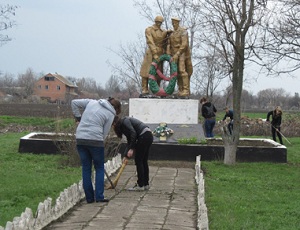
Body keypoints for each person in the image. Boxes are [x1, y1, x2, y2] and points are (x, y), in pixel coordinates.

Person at [71, 97, 121, 203]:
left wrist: (78, 118)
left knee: (86, 168)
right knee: (99, 168)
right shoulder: (110, 114)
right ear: (115, 109)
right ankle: (99, 196)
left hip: (80, 138)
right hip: (95, 140)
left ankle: (89, 198)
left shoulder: (92, 102)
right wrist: (98, 140)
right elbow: (105, 132)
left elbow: (74, 102)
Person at [113, 116, 153, 191]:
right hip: (148, 135)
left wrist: (131, 149)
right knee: (143, 161)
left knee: (139, 161)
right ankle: (145, 184)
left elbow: (133, 133)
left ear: (115, 123)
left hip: (144, 136)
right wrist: (126, 155)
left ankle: (140, 185)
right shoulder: (124, 123)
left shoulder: (124, 121)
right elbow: (130, 139)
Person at [140, 15, 169, 95]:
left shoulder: (163, 32)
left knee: (158, 72)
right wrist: (154, 52)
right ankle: (144, 89)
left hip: (160, 53)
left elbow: (165, 42)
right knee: (146, 71)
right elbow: (150, 41)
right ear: (155, 21)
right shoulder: (149, 30)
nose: (159, 24)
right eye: (157, 22)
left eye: (160, 22)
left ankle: (156, 90)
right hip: (151, 53)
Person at [167, 17, 193, 98]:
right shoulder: (171, 33)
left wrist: (177, 54)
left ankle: (186, 89)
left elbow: (184, 44)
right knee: (176, 72)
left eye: (175, 22)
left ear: (178, 23)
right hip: (173, 54)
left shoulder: (183, 31)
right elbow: (169, 44)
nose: (174, 24)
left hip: (181, 53)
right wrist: (169, 54)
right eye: (173, 22)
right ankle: (180, 89)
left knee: (182, 70)